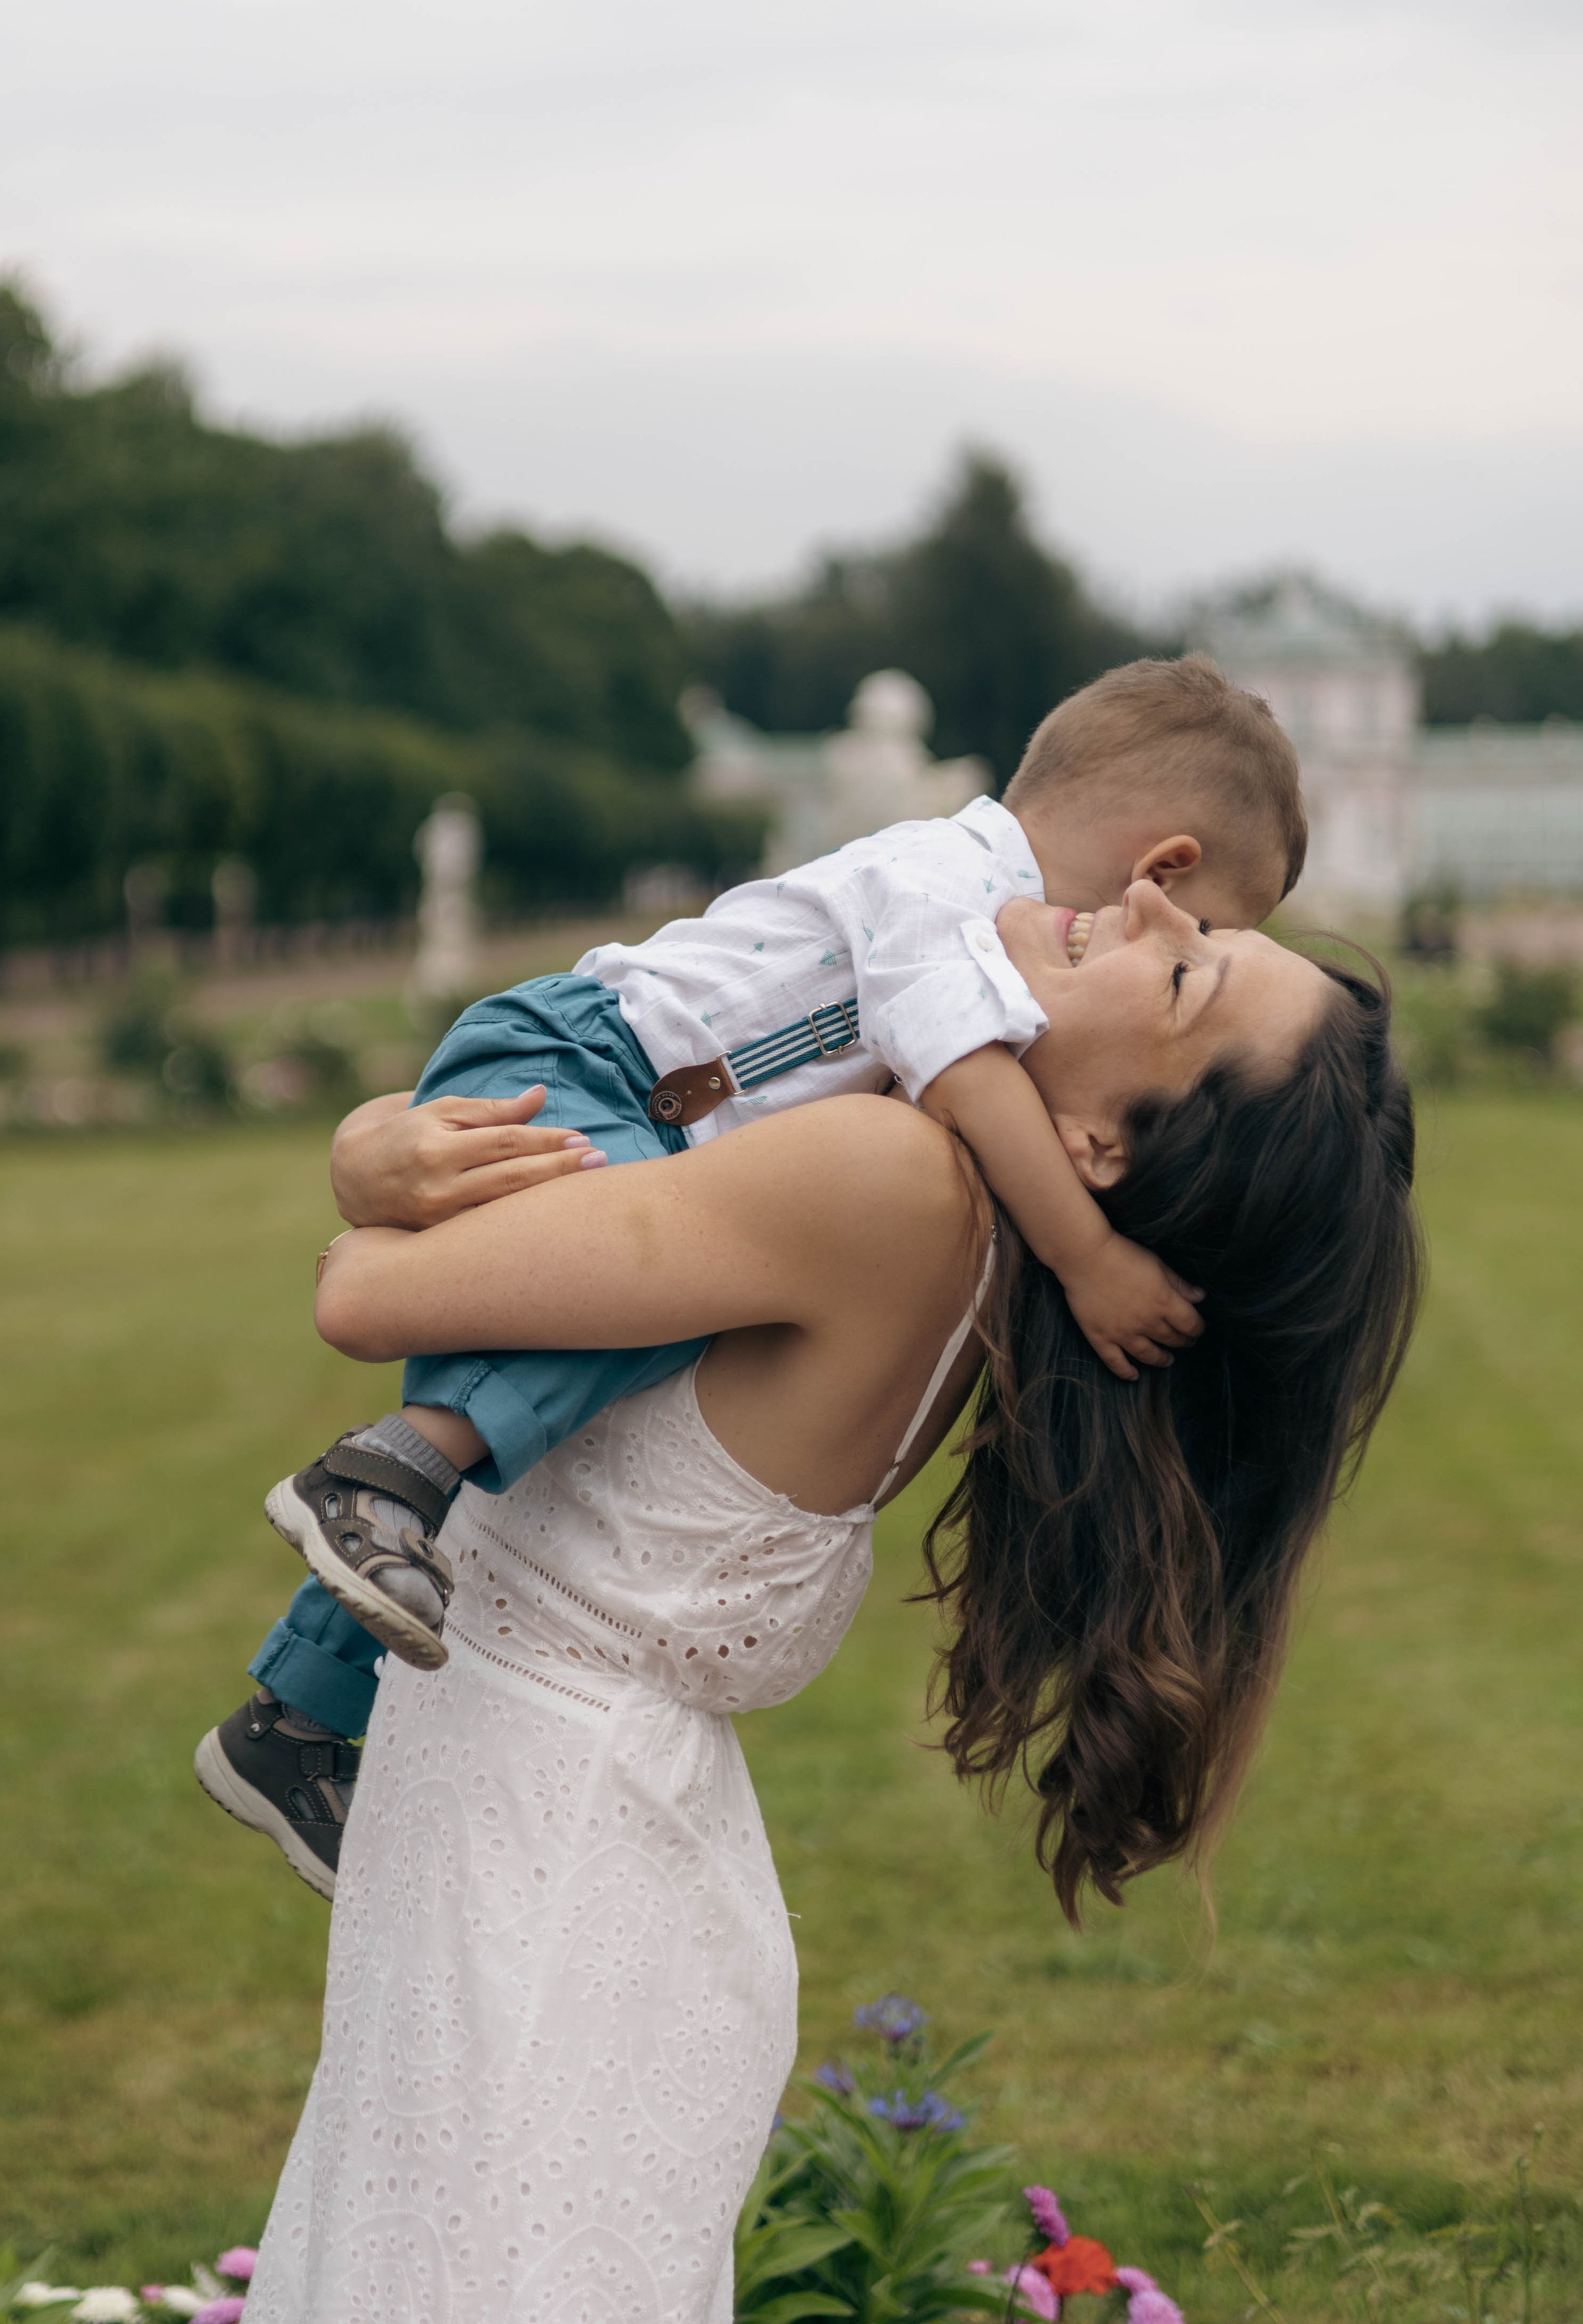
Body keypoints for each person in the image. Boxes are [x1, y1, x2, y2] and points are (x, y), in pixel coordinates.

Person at [241, 882, 1419, 2323]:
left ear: (1100, 1147)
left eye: (1184, 977)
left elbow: (367, 1291)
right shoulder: (939, 1198)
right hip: (547, 1857)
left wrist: (375, 1159)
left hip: (545, 1901)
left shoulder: (882, 1182)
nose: (1145, 904)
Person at [198, 655, 1309, 1898]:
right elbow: (952, 1064)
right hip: (604, 1062)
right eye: (1200, 934)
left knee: (620, 1324)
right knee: (632, 1316)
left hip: (633, 1086)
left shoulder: (956, 965)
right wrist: (1087, 1252)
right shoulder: (952, 887)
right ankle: (395, 1465)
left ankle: (288, 1724)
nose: (1168, 933)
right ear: (1154, 867)